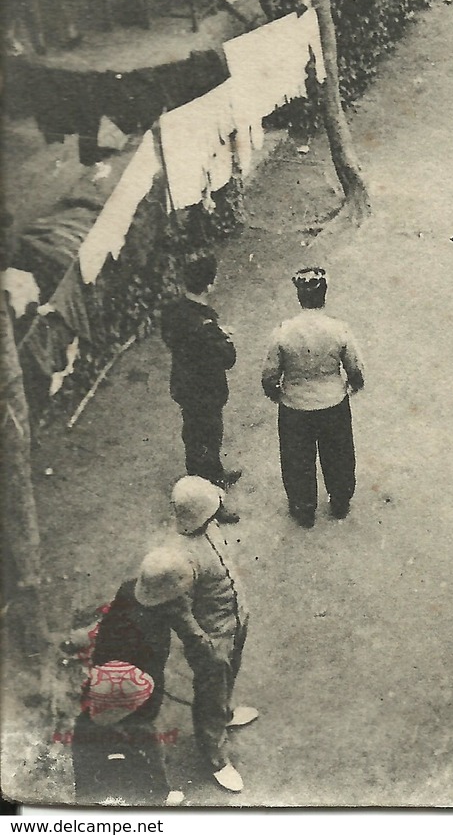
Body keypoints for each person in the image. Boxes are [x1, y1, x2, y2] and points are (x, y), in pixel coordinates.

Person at [72, 550, 191, 806]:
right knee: (144, 740)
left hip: (111, 678)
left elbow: (105, 635)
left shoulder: (127, 590)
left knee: (99, 744)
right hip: (136, 688)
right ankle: (158, 793)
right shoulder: (161, 617)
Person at [165, 476, 257, 793]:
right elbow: (178, 608)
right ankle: (215, 757)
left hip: (234, 622)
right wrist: (201, 643)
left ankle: (225, 714)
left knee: (226, 681)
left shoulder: (210, 529)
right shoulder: (182, 556)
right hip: (212, 636)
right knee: (209, 694)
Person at [261, 268, 366, 527]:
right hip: (332, 402)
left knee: (297, 458)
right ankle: (340, 501)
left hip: (295, 406)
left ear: (299, 296)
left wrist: (277, 393)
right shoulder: (338, 329)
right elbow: (355, 367)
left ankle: (303, 508)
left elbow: (269, 373)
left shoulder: (283, 332)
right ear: (324, 295)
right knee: (338, 454)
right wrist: (352, 386)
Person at [160, 255, 241, 524]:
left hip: (185, 386)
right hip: (206, 391)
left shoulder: (174, 312)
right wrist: (222, 338)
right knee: (206, 441)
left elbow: (176, 339)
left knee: (196, 438)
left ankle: (215, 474)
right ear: (209, 285)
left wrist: (215, 331)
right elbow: (228, 358)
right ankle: (209, 501)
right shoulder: (205, 327)